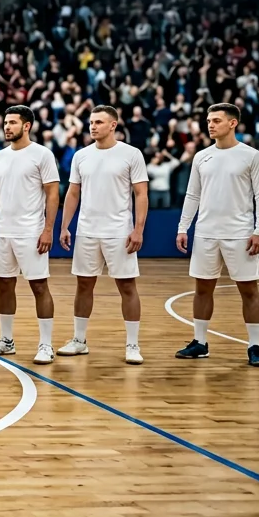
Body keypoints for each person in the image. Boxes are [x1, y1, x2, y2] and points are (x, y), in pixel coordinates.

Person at [175, 103, 259, 367]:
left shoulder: (252, 156)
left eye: (216, 120)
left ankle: (255, 346)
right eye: (208, 120)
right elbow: (192, 194)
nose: (210, 124)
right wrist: (184, 227)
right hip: (206, 233)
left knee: (249, 290)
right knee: (202, 289)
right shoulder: (201, 156)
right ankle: (200, 342)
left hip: (240, 234)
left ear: (232, 123)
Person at [59, 105, 149, 364]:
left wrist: (138, 229)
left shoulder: (131, 154)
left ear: (113, 125)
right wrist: (65, 226)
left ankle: (132, 344)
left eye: (99, 122)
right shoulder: (81, 156)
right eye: (91, 122)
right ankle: (79, 340)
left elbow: (141, 193)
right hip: (87, 231)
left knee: (127, 286)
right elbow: (73, 193)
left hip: (119, 231)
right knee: (84, 285)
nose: (93, 126)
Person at [0, 105, 60, 365]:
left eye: (12, 122)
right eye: (5, 122)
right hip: (4, 231)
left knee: (39, 285)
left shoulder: (42, 155)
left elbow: (53, 194)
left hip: (31, 232)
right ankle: (6, 340)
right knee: (4, 284)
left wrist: (48, 229)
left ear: (27, 126)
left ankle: (46, 344)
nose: (7, 127)